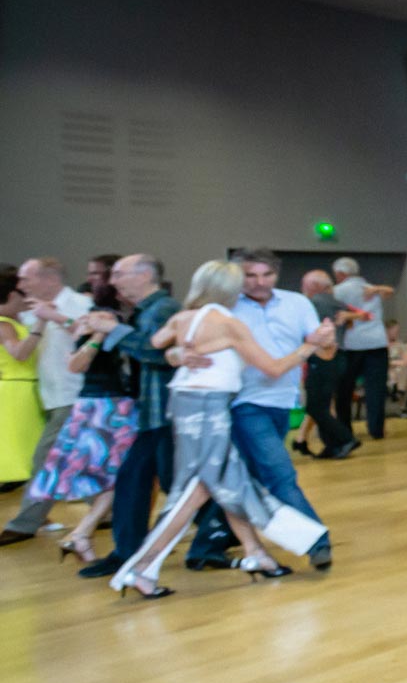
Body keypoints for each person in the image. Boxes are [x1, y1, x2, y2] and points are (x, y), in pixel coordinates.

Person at [110, 261, 331, 598]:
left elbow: (157, 344)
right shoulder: (230, 324)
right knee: (200, 487)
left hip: (184, 405)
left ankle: (257, 554)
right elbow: (272, 368)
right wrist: (310, 346)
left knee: (227, 480)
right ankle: (141, 569)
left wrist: (178, 355)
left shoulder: (183, 318)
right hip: (209, 409)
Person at [170, 249, 339, 573]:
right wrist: (179, 355)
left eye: (267, 275)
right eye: (251, 275)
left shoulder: (298, 303)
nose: (260, 282)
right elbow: (175, 344)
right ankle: (316, 541)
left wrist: (327, 342)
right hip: (241, 403)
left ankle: (205, 547)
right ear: (238, 277)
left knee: (244, 475)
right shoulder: (223, 309)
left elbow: (325, 353)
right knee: (279, 474)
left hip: (282, 402)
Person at [75, 255, 182, 580]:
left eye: (120, 274)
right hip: (148, 412)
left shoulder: (165, 309)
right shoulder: (143, 311)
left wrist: (115, 330)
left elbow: (156, 353)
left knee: (173, 483)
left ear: (145, 275)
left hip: (164, 411)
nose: (113, 280)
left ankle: (221, 534)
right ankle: (126, 552)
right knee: (134, 481)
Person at [22, 295, 139, 563]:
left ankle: (83, 534)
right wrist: (94, 336)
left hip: (109, 407)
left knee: (115, 477)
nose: (86, 320)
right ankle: (82, 533)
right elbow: (76, 365)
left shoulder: (107, 335)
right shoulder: (93, 336)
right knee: (115, 477)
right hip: (104, 409)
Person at [0, 258, 92, 539]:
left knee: (46, 460)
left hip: (74, 393)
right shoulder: (28, 313)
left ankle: (24, 524)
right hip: (48, 397)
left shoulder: (78, 304)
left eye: (27, 279)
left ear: (49, 279)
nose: (22, 285)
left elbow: (93, 336)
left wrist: (56, 318)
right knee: (80, 459)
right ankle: (108, 512)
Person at [295, 269, 360, 459]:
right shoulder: (335, 302)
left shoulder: (314, 302)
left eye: (304, 285)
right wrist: (348, 318)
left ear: (313, 286)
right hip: (336, 358)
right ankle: (330, 445)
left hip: (323, 358)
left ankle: (345, 439)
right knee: (320, 406)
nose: (302, 289)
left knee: (316, 407)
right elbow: (361, 316)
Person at [332, 256, 393, 442]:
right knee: (375, 389)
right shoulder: (370, 287)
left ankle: (345, 428)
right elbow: (390, 291)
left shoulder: (338, 290)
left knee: (344, 388)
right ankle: (376, 429)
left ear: (341, 274)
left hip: (352, 345)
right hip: (377, 343)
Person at [0, 268, 47, 488]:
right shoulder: (3, 324)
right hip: (17, 392)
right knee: (27, 453)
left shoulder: (12, 320)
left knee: (30, 453)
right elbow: (19, 354)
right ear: (11, 295)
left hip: (22, 390)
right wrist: (41, 324)